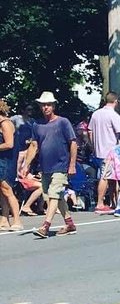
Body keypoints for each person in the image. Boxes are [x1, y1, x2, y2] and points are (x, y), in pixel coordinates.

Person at [20, 91, 78, 239]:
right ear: (40, 106)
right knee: (53, 196)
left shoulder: (62, 122)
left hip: (61, 164)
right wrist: (26, 165)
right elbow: (34, 145)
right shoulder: (37, 124)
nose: (46, 107)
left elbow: (73, 143)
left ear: (53, 106)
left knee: (54, 194)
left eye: (49, 105)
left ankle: (46, 226)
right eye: (43, 105)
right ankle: (70, 223)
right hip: (45, 166)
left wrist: (72, 165)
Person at [90, 92, 120, 212]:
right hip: (110, 151)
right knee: (105, 177)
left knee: (110, 177)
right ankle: (100, 203)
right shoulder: (114, 115)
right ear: (115, 101)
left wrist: (93, 145)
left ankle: (113, 202)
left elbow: (90, 131)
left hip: (98, 150)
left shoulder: (96, 114)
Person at [0, 99, 20, 234]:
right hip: (2, 160)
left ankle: (17, 221)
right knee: (2, 190)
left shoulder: (6, 124)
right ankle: (4, 219)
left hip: (7, 161)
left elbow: (9, 144)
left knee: (7, 189)